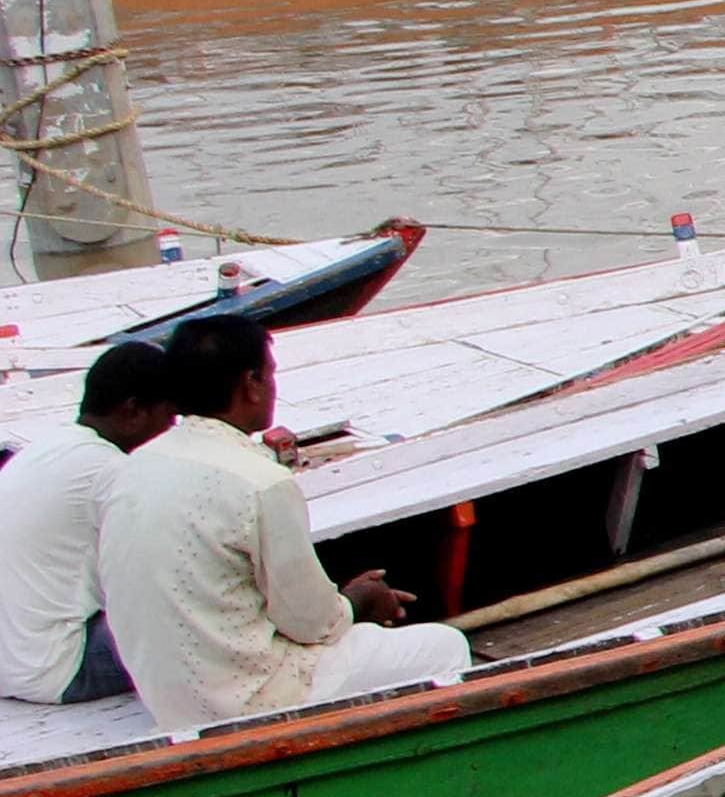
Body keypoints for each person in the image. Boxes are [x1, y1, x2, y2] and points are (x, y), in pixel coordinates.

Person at [98, 314, 471, 734]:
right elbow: (312, 623)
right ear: (251, 382)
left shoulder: (134, 468)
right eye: (270, 374)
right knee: (446, 648)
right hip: (248, 697)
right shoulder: (261, 482)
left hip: (168, 701)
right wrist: (359, 601)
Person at [1, 338, 168, 704]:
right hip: (61, 669)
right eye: (168, 418)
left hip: (12, 664)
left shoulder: (48, 448)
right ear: (133, 411)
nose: (170, 431)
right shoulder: (109, 470)